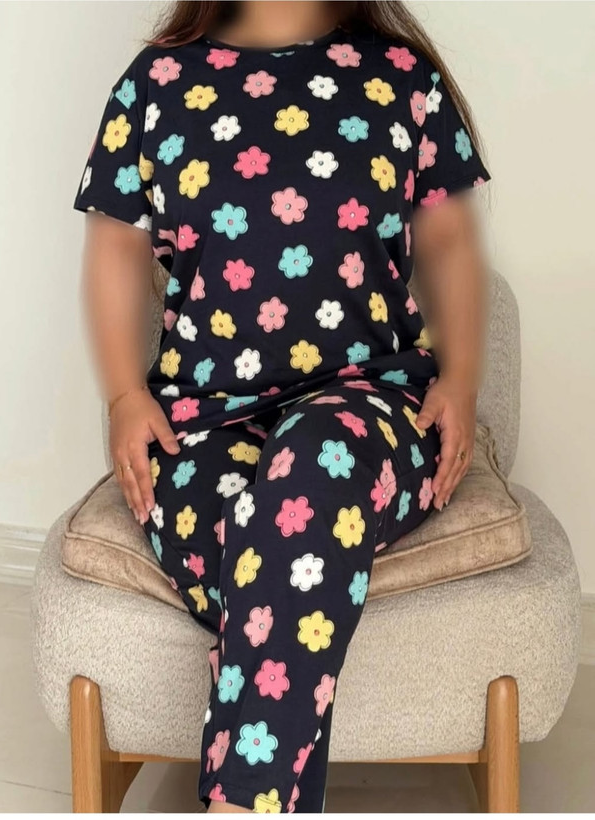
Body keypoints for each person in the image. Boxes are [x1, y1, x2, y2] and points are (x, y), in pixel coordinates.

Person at [72, 0, 491, 812]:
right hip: (199, 418)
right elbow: (116, 244)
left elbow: (449, 240)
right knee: (263, 552)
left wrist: (462, 379)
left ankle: (237, 803)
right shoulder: (156, 83)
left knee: (304, 487)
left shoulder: (402, 79)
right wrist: (124, 394)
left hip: (370, 401)